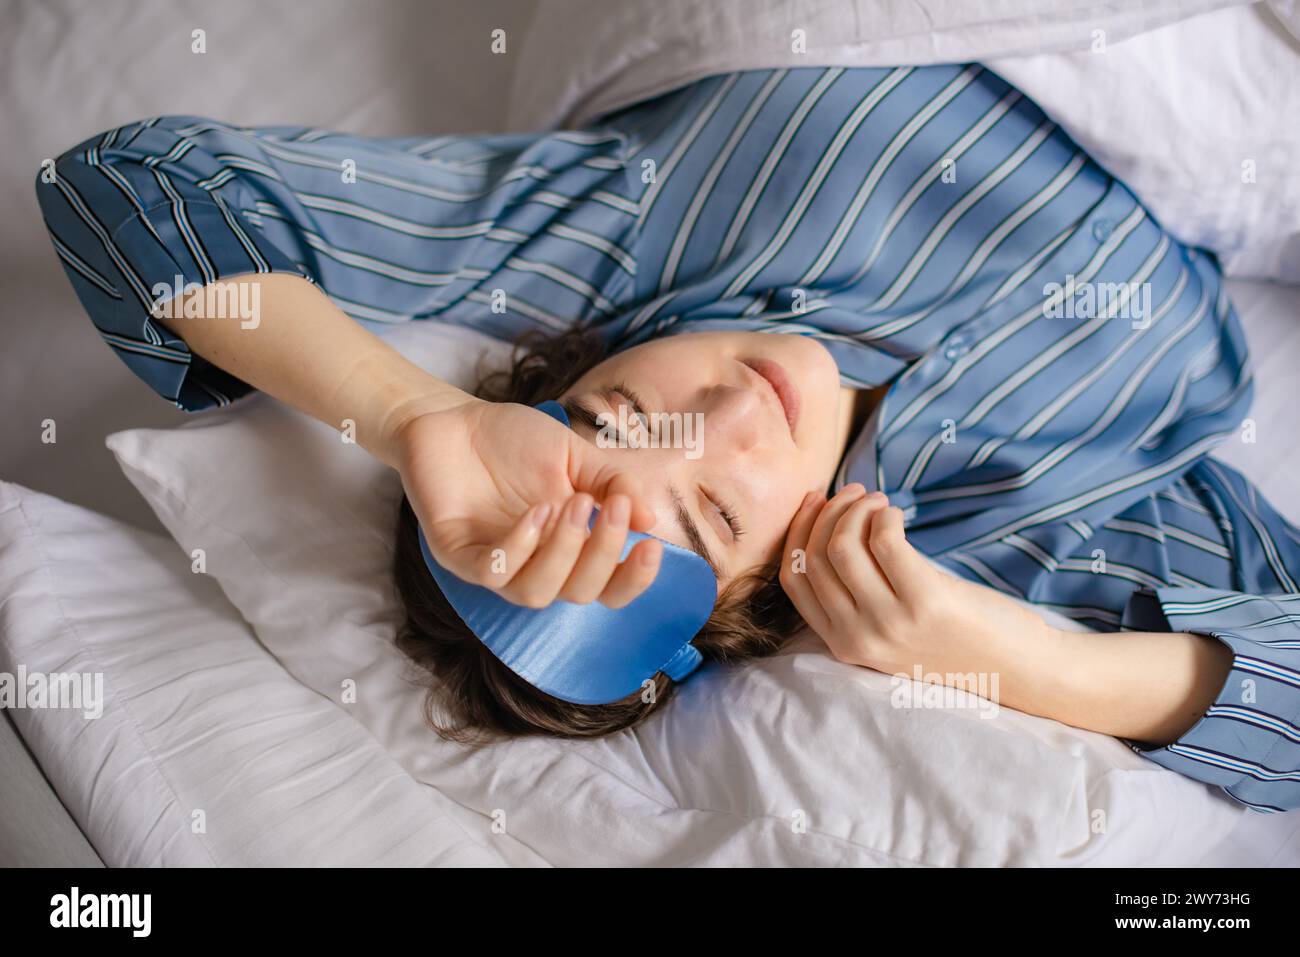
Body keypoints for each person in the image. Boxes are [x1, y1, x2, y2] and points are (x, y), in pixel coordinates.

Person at [37, 64, 1300, 811]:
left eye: (619, 418)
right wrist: (1036, 664)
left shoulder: (630, 241)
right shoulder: (1007, 541)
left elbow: (130, 187)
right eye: (713, 515)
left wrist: (417, 414)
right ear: (775, 602)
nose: (732, 411)